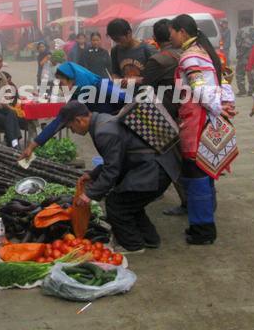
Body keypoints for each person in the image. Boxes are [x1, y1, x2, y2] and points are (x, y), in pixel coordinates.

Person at [63, 102, 180, 252]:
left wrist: (89, 195)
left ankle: (133, 245)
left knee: (116, 203)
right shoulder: (102, 120)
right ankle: (150, 239)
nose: (72, 132)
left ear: (79, 120)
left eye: (70, 127)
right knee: (131, 203)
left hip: (154, 170)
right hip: (156, 166)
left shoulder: (103, 131)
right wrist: (92, 175)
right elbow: (115, 158)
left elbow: (112, 169)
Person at [170, 14, 237, 245]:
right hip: (208, 118)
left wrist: (217, 108)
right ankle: (203, 224)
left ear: (182, 32)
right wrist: (225, 107)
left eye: (172, 33)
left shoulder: (190, 57)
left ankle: (203, 229)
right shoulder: (206, 52)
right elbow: (224, 82)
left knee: (196, 174)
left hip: (197, 121)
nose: (171, 37)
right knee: (205, 172)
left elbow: (200, 88)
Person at [19, 62, 125, 160]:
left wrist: (117, 118)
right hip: (103, 133)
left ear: (72, 79)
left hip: (121, 128)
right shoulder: (76, 96)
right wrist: (32, 146)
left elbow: (128, 101)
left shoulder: (101, 84)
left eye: (61, 82)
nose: (60, 87)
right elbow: (59, 121)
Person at [139, 19, 186, 216]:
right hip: (189, 113)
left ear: (156, 39)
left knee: (173, 161)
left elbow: (145, 90)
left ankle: (187, 202)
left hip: (166, 116)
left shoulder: (158, 60)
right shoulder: (188, 55)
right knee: (188, 160)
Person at [107, 18, 156, 82]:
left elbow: (155, 76)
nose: (118, 43)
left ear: (129, 33)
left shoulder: (147, 49)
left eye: (119, 39)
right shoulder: (115, 51)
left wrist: (136, 80)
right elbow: (115, 73)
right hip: (125, 90)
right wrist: (116, 80)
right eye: (115, 40)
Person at [235, 24, 254, 96]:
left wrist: (239, 54)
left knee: (240, 73)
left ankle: (242, 91)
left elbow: (238, 43)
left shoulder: (240, 30)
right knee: (251, 73)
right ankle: (251, 91)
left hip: (243, 56)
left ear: (243, 22)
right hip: (253, 56)